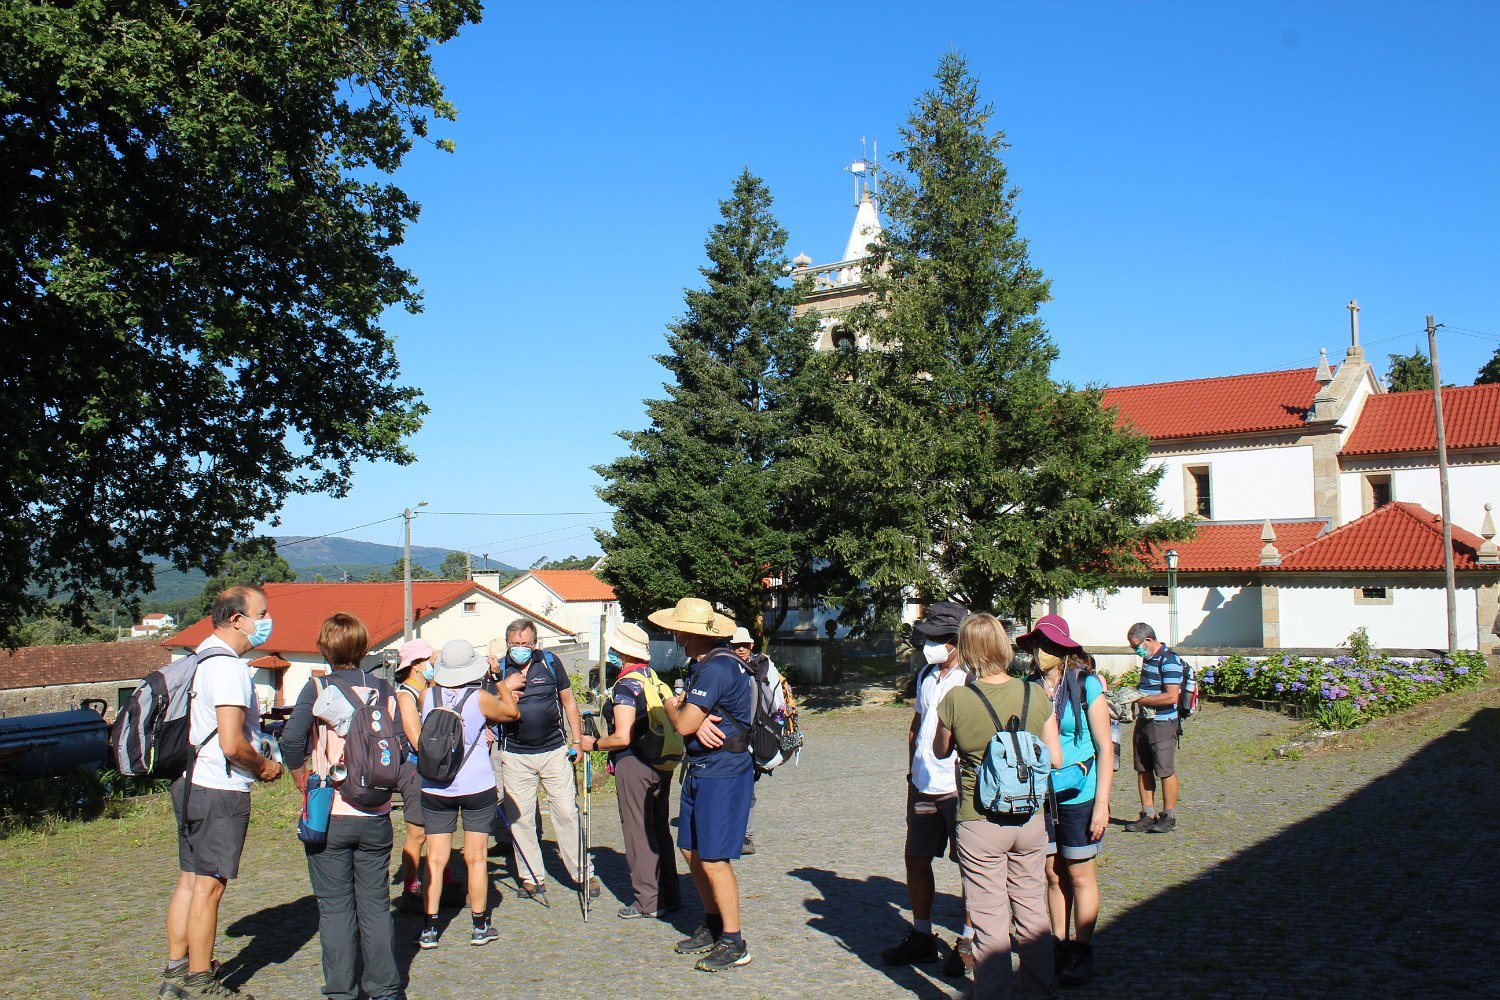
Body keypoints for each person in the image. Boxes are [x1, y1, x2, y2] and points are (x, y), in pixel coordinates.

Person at [159, 585, 284, 999]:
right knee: (210, 887)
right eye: (261, 613)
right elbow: (232, 743)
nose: (267, 622)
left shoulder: (200, 656)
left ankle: (175, 974)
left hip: (189, 781)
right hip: (219, 788)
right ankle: (200, 982)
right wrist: (265, 766)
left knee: (190, 881)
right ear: (237, 619)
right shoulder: (228, 667)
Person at [933, 613, 1063, 1000]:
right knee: (1032, 909)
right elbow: (1054, 758)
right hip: (1029, 817)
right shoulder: (1034, 694)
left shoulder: (957, 698)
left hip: (979, 818)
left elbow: (940, 752)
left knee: (989, 918)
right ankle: (1040, 991)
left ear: (968, 650)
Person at [280, 614, 402, 1000]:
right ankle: (384, 988)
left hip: (330, 814)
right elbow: (399, 746)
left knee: (335, 909)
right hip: (377, 813)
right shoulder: (384, 689)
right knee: (376, 906)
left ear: (324, 649)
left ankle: (341, 991)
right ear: (364, 649)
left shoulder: (316, 687)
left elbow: (290, 742)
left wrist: (304, 781)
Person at [655, 597, 755, 973]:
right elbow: (691, 718)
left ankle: (734, 941)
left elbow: (681, 723)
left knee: (713, 858)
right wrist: (689, 713)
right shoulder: (706, 665)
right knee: (691, 850)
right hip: (703, 767)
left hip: (722, 770)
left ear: (685, 633)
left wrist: (671, 704)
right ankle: (714, 923)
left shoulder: (714, 670)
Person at [1016, 615, 1112, 988]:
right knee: (1052, 873)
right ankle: (1057, 944)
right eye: (1034, 645)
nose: (1038, 652)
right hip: (1042, 794)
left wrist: (1102, 802)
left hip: (1081, 793)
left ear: (1062, 649)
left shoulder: (1087, 686)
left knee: (1080, 873)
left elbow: (1105, 748)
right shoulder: (1028, 688)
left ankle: (1083, 948)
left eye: (1045, 645)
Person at [883, 599, 975, 973]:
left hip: (959, 788)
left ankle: (970, 939)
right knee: (916, 858)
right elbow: (917, 725)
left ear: (955, 640)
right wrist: (911, 773)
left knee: (971, 866)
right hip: (922, 784)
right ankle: (921, 935)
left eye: (937, 638)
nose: (929, 644)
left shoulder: (972, 679)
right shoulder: (925, 675)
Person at [417, 638, 519, 949]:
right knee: (476, 858)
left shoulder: (426, 696)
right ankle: (479, 925)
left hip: (435, 786)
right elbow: (512, 713)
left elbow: (437, 688)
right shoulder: (479, 698)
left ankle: (430, 929)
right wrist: (498, 678)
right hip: (476, 785)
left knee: (435, 858)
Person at [491, 618, 599, 901]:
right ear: (508, 644)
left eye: (525, 644)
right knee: (521, 819)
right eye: (515, 645)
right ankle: (531, 878)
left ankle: (582, 874)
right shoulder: (500, 670)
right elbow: (489, 709)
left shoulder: (550, 662)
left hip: (554, 751)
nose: (520, 649)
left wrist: (576, 741)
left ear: (535, 644)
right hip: (515, 754)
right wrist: (505, 685)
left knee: (566, 812)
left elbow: (568, 702)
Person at [593, 621, 683, 919]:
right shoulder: (654, 679)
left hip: (634, 763)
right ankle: (670, 894)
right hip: (661, 760)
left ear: (621, 652)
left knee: (637, 832)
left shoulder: (626, 686)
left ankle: (647, 900)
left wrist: (592, 744)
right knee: (659, 829)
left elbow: (622, 736)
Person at [728, 626, 786, 856]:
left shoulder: (763, 666)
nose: (740, 648)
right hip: (732, 737)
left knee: (746, 787)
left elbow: (776, 702)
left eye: (743, 645)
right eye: (735, 645)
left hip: (754, 735)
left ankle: (746, 835)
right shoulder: (725, 668)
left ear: (751, 645)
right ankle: (736, 832)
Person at [1123, 622, 1184, 834]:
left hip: (1163, 723)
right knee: (1143, 769)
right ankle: (1148, 814)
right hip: (1144, 721)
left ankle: (1169, 815)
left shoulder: (1169, 660)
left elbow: (1171, 696)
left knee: (1165, 770)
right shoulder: (1148, 659)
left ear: (1148, 640)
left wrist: (1141, 700)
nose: (1135, 650)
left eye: (1136, 646)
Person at [393, 638, 435, 913]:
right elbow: (417, 739)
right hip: (415, 769)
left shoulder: (424, 691)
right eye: (429, 660)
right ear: (416, 666)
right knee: (418, 832)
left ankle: (440, 882)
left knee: (436, 832)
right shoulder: (405, 696)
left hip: (429, 767)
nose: (433, 665)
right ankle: (411, 886)